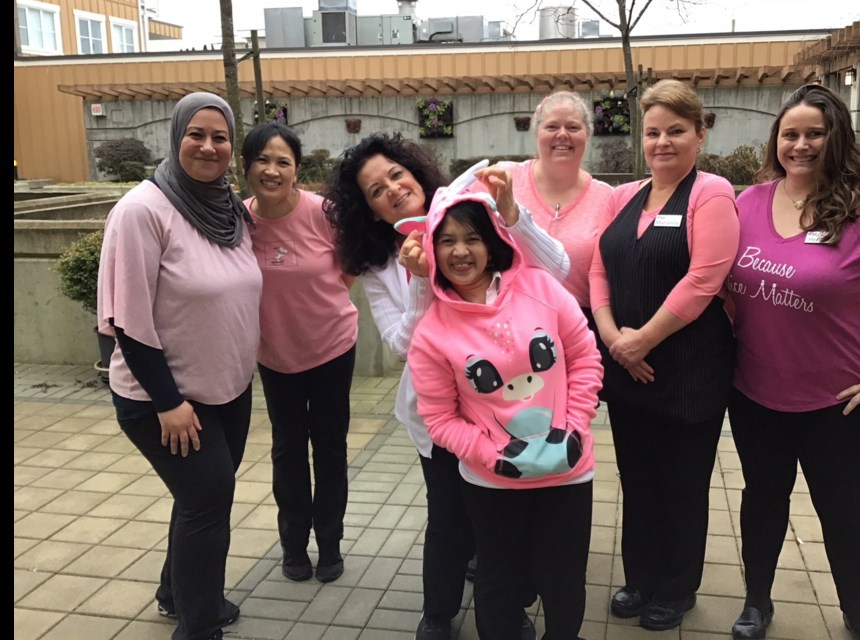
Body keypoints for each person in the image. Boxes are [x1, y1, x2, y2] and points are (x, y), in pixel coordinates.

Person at [323, 133, 566, 640]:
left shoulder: (472, 218)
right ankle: (439, 610)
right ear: (369, 211)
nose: (391, 189)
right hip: (439, 417)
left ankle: (509, 605)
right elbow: (403, 347)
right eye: (374, 191)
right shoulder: (381, 266)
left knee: (504, 515)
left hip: (508, 404)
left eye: (395, 175)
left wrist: (512, 214)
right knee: (449, 516)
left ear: (416, 173)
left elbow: (558, 270)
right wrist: (417, 279)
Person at [725, 83, 860, 640]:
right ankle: (756, 604)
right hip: (754, 395)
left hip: (839, 403)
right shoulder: (748, 204)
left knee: (844, 511)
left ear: (835, 137)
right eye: (790, 134)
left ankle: (858, 613)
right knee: (762, 501)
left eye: (814, 133)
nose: (800, 145)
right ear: (776, 141)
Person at [97, 92, 262, 640]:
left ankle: (177, 592)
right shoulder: (143, 211)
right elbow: (128, 318)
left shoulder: (227, 207)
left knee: (200, 499)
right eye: (197, 134)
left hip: (228, 389)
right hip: (164, 399)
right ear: (175, 137)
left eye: (220, 137)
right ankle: (199, 623)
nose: (209, 147)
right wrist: (167, 402)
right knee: (208, 503)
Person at [407, 185, 603, 640]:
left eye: (472, 237)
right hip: (492, 481)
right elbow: (439, 419)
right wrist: (491, 456)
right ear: (432, 249)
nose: (460, 251)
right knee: (498, 583)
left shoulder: (540, 288)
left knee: (564, 581)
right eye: (447, 239)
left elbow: (586, 359)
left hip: (568, 472)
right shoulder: (432, 331)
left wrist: (573, 428)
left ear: (492, 240)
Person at [588, 79, 740, 630]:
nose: (663, 142)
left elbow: (703, 280)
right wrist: (613, 340)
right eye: (653, 132)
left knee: (681, 483)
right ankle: (640, 577)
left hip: (688, 370)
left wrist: (641, 340)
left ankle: (676, 589)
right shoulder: (623, 195)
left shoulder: (712, 193)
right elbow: (598, 268)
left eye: (676, 130)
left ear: (699, 134)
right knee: (638, 478)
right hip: (628, 368)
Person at [240, 122, 358, 584]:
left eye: (282, 162)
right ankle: (293, 545)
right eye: (262, 161)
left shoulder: (323, 212)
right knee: (287, 450)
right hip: (275, 356)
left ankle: (329, 544)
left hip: (331, 347)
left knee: (329, 448)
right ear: (246, 166)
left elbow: (348, 270)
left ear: (296, 169)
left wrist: (317, 306)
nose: (272, 170)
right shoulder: (239, 219)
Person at [500, 91, 613, 327]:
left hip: (582, 327)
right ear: (537, 133)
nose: (562, 135)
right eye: (552, 127)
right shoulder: (505, 179)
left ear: (587, 135)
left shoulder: (608, 198)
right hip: (507, 322)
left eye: (573, 127)